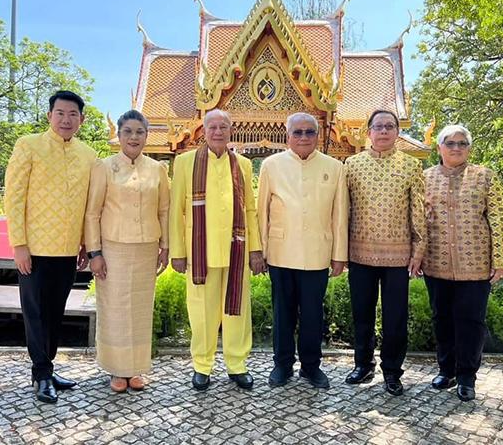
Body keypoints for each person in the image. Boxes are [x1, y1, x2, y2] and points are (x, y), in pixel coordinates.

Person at [4, 90, 97, 404]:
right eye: (60, 113)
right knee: (35, 313)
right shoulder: (28, 146)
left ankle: (48, 366)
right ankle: (41, 373)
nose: (66, 120)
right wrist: (19, 244)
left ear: (82, 120)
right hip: (35, 249)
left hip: (68, 249)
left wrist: (86, 242)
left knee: (56, 313)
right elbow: (14, 198)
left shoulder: (88, 155)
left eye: (73, 114)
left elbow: (89, 205)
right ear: (49, 116)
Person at [169, 109, 265, 391]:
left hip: (236, 249)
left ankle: (237, 364)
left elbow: (249, 209)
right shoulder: (186, 162)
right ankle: (202, 365)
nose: (218, 131)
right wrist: (177, 251)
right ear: (204, 130)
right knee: (202, 311)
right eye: (213, 126)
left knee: (237, 310)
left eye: (224, 126)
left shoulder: (243, 164)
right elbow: (177, 210)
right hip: (201, 251)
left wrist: (255, 249)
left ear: (230, 130)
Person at [257, 113, 348, 389]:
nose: (304, 137)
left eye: (310, 132)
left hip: (317, 252)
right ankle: (282, 365)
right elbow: (261, 212)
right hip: (281, 251)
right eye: (298, 132)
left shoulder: (334, 167)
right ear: (287, 136)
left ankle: (311, 366)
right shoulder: (271, 165)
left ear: (318, 136)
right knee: (283, 312)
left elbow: (339, 214)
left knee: (312, 314)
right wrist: (259, 251)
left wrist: (339, 254)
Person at [84, 109, 170, 393]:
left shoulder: (158, 169)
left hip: (146, 247)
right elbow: (92, 212)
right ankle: (116, 370)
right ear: (118, 135)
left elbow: (164, 210)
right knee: (115, 308)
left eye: (140, 132)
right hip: (113, 247)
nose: (134, 137)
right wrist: (95, 253)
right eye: (128, 132)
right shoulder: (104, 167)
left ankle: (135, 369)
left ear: (147, 136)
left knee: (140, 308)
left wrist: (165, 245)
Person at [423, 124, 503, 402]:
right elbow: (418, 220)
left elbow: (497, 218)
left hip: (475, 263)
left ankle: (466, 377)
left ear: (469, 148)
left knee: (471, 321)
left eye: (462, 143)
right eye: (450, 143)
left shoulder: (485, 177)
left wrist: (500, 258)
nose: (456, 148)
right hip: (436, 261)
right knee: (442, 318)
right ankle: (446, 370)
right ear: (440, 148)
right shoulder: (425, 178)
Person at [344, 109, 426, 396]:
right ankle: (362, 364)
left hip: (398, 256)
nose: (383, 131)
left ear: (397, 132)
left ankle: (392, 371)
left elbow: (418, 211)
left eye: (389, 126)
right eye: (378, 126)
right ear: (368, 132)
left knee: (395, 318)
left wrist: (419, 249)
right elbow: (343, 211)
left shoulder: (410, 166)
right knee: (361, 314)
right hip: (359, 253)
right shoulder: (351, 165)